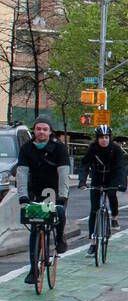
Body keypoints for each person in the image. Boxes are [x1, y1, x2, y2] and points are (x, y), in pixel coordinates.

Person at [15, 115, 70, 282]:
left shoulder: (59, 149)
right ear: (34, 130)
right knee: (35, 228)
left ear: (50, 131)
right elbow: (22, 173)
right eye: (38, 129)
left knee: (59, 212)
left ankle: (60, 238)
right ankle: (33, 269)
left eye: (45, 129)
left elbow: (64, 174)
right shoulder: (26, 148)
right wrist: (23, 196)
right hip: (35, 190)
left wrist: (63, 196)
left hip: (53, 190)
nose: (41, 132)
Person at [78, 125, 128, 254]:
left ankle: (114, 216)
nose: (104, 140)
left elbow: (121, 168)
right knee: (94, 210)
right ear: (97, 138)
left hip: (112, 178)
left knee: (112, 194)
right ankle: (93, 242)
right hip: (97, 178)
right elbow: (84, 165)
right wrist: (82, 181)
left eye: (106, 137)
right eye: (101, 137)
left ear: (109, 138)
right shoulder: (93, 149)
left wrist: (121, 184)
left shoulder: (116, 149)